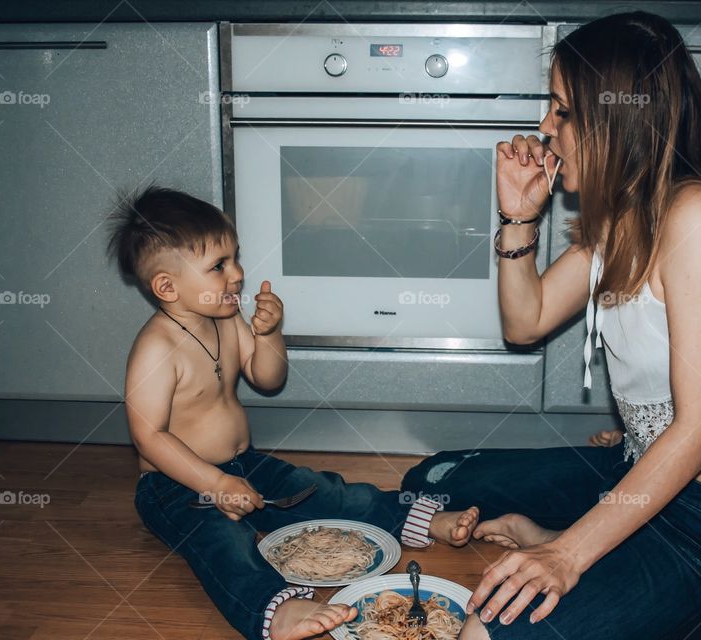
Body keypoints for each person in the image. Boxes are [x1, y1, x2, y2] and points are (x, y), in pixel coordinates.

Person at [402, 11, 701, 639]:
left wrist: (566, 556)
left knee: (489, 632)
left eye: (562, 112)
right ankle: (574, 532)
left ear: (621, 117)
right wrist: (519, 217)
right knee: (436, 479)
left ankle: (582, 542)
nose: (543, 130)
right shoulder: (623, 219)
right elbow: (524, 323)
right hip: (639, 475)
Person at [107, 186, 480, 640]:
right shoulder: (156, 348)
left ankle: (414, 520)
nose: (238, 274)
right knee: (222, 540)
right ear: (167, 286)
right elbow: (150, 437)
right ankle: (273, 608)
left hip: (245, 463)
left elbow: (267, 378)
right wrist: (215, 483)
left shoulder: (226, 320)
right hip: (176, 486)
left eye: (235, 257)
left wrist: (268, 334)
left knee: (318, 491)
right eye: (219, 266)